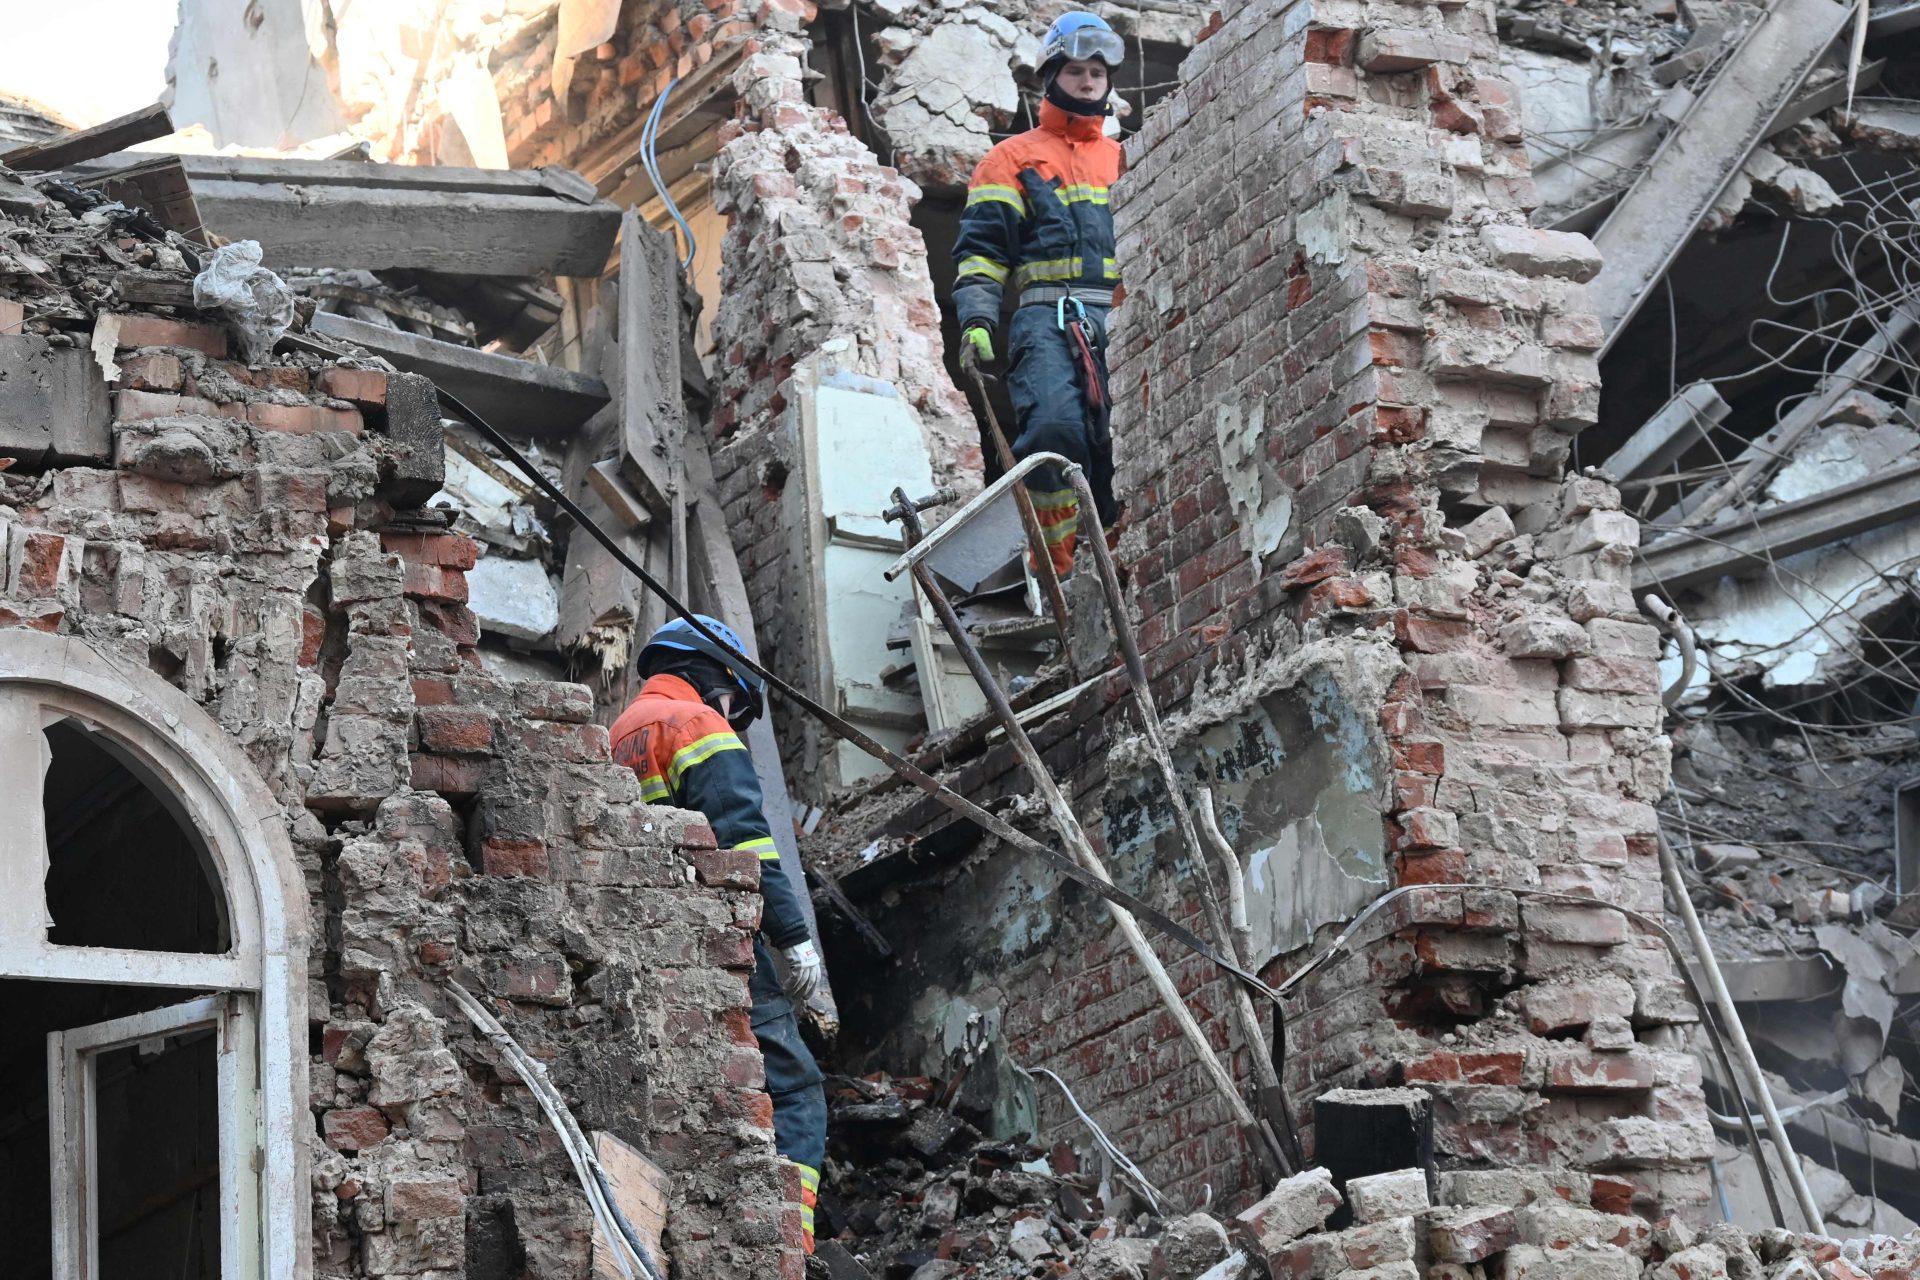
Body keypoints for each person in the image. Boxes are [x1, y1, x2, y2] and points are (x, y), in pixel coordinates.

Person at [610, 615, 828, 1254]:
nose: (732, 717)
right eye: (736, 701)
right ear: (715, 676)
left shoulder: (617, 734)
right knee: (795, 1092)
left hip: (651, 951)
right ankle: (793, 1248)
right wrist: (793, 936)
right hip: (720, 945)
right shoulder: (696, 723)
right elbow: (744, 840)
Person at [952, 11, 1127, 579]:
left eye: (1097, 71)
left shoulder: (1125, 160)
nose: (1088, 80)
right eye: (1076, 69)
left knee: (1119, 450)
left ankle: (1117, 566)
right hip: (1046, 319)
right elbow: (982, 251)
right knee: (1055, 434)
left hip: (1123, 321)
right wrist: (976, 320)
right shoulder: (1010, 159)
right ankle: (1055, 569)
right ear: (1051, 75)